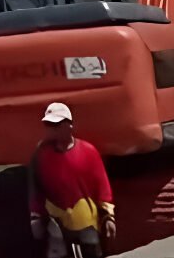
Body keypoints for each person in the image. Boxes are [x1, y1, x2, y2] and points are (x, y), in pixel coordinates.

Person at [29, 102, 115, 258]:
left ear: (69, 125)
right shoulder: (41, 155)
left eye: (56, 124)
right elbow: (36, 188)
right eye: (48, 125)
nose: (51, 130)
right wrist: (36, 216)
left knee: (92, 251)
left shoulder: (88, 152)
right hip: (56, 220)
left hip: (86, 219)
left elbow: (102, 186)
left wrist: (108, 217)